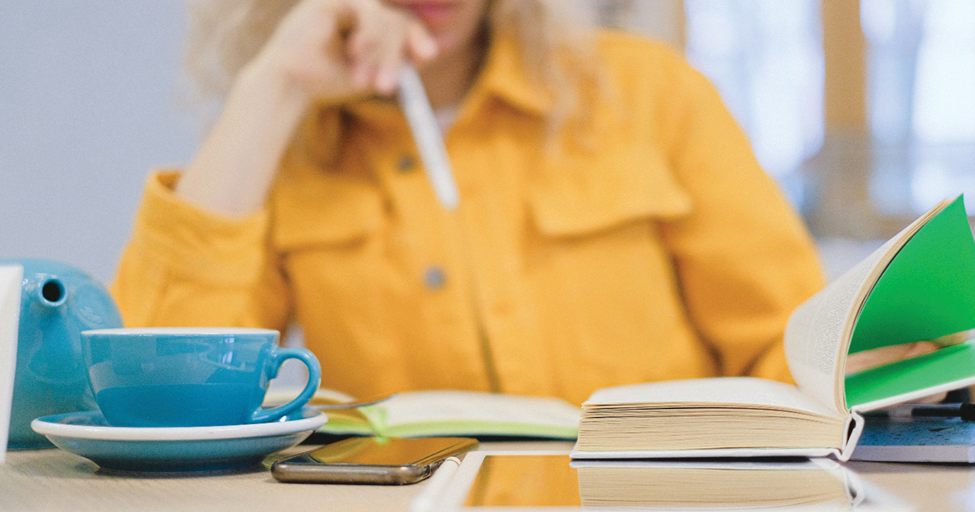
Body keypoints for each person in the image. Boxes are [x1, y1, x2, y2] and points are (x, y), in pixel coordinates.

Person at [111, 0, 826, 405]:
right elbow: (157, 396)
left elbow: (794, 348)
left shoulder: (649, 95)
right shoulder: (278, 147)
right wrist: (275, 87)